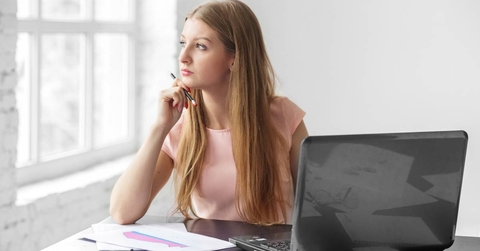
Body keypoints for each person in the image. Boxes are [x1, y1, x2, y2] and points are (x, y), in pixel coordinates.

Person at [110, 0, 308, 226]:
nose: (183, 56)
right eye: (183, 42)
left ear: (234, 58)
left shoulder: (283, 116)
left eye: (200, 46)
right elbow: (122, 212)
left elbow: (318, 205)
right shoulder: (179, 127)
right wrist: (159, 128)